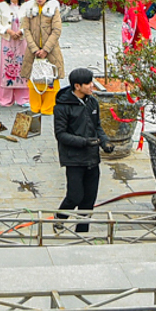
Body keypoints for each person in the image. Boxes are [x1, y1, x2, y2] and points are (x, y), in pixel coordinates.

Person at [53, 68, 106, 233]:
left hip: (92, 159)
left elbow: (97, 126)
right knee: (75, 196)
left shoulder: (92, 102)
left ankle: (82, 233)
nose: (92, 86)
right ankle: (60, 217)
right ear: (77, 86)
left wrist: (105, 142)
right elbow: (61, 135)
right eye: (89, 83)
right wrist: (84, 142)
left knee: (88, 201)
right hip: (74, 159)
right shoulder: (62, 107)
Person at [24, 0, 65, 118]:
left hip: (51, 51)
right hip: (33, 51)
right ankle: (35, 107)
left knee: (52, 79)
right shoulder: (29, 10)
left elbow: (57, 30)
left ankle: (48, 108)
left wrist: (46, 49)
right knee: (33, 79)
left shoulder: (54, 10)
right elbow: (26, 30)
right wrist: (35, 49)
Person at [0, 0, 31, 109]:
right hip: (8, 41)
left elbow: (30, 23)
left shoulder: (26, 7)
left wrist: (21, 31)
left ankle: (23, 97)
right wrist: (8, 30)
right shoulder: (1, 6)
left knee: (22, 66)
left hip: (22, 41)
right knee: (7, 66)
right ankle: (5, 98)